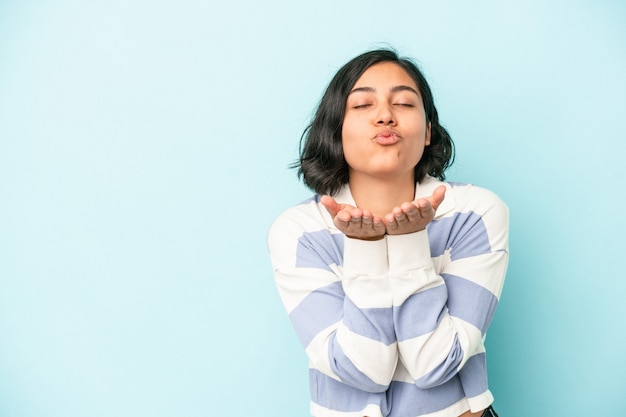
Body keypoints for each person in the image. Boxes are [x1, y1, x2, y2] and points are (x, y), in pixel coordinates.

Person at [267, 49, 508, 417]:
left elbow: (436, 364)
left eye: (404, 103)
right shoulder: (299, 232)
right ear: (336, 131)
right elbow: (362, 370)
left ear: (427, 132)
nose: (385, 116)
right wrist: (365, 247)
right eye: (363, 105)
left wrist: (409, 242)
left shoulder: (475, 213)